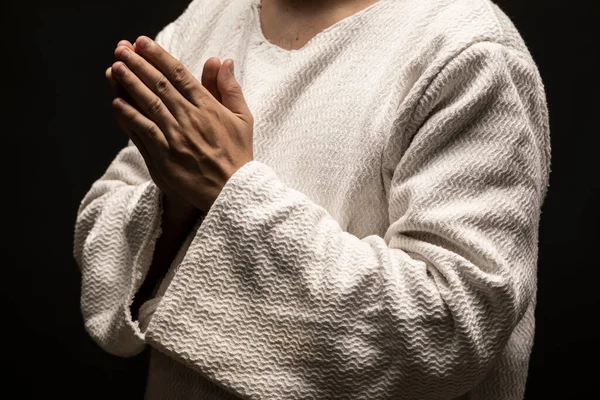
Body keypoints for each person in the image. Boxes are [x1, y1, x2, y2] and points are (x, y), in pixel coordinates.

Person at [72, 0, 551, 398]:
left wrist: (228, 189)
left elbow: (450, 327)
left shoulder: (465, 48)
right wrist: (174, 204)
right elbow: (104, 241)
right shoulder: (207, 17)